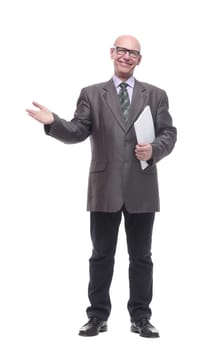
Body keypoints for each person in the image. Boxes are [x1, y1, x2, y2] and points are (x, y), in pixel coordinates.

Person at [26, 34, 177, 338]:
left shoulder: (156, 95)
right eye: (122, 50)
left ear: (139, 59)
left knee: (142, 256)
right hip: (104, 186)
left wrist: (154, 150)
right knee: (101, 255)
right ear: (112, 53)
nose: (126, 56)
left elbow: (169, 133)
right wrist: (52, 122)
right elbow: (78, 131)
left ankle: (140, 317)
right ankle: (97, 316)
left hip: (142, 187)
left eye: (133, 53)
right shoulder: (92, 94)